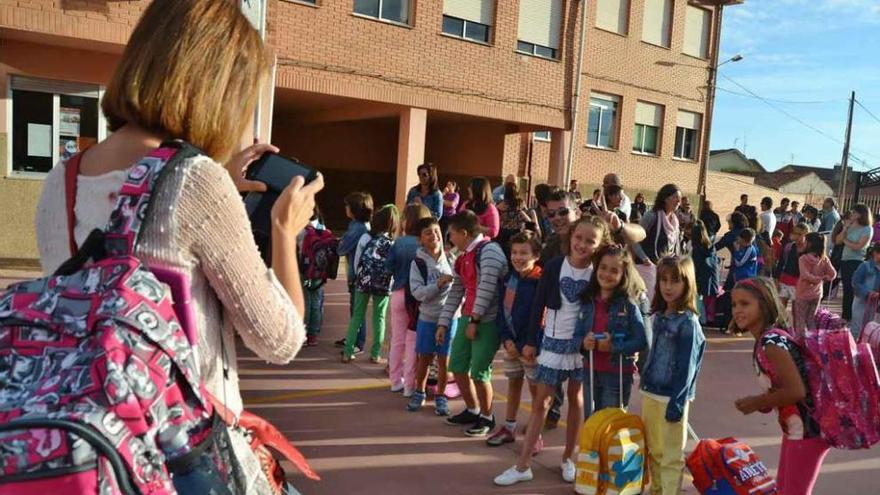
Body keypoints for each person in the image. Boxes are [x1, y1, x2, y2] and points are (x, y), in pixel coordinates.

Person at [34, 1, 323, 490]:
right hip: (181, 457)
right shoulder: (197, 182)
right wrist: (283, 232)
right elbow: (280, 339)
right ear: (216, 88)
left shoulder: (60, 181)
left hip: (95, 447)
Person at [493, 216, 607, 487]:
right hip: (553, 343)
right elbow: (538, 305)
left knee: (576, 398)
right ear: (570, 237)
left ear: (600, 244)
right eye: (579, 238)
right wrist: (531, 340)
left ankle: (569, 458)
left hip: (582, 346)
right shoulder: (555, 266)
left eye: (590, 241)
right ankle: (522, 465)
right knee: (541, 402)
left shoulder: (598, 272)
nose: (582, 244)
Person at [731, 278, 828, 495]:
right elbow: (784, 388)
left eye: (745, 304)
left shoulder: (771, 344)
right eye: (734, 304)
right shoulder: (769, 339)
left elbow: (797, 391)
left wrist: (757, 402)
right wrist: (766, 402)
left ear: (764, 305)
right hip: (797, 429)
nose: (737, 310)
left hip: (807, 431)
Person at [640, 256, 706, 495]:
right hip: (651, 392)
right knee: (654, 450)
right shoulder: (660, 315)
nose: (667, 286)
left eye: (675, 281)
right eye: (663, 280)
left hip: (671, 397)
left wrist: (678, 401)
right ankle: (657, 489)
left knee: (670, 454)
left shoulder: (688, 323)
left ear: (687, 283)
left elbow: (688, 367)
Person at [439, 211, 508, 437]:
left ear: (464, 233)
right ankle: (472, 409)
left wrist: (475, 319)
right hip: (468, 317)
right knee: (458, 367)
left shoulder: (489, 251)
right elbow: (457, 291)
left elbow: (487, 287)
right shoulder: (463, 257)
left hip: (485, 321)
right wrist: (444, 322)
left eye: (451, 234)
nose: (449, 239)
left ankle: (487, 417)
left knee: (479, 372)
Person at [486, 232, 544, 452]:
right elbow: (502, 311)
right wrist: (506, 339)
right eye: (515, 252)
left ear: (536, 255)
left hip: (530, 347)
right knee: (513, 382)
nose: (518, 257)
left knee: (536, 389)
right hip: (511, 345)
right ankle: (509, 427)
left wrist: (527, 344)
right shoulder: (509, 279)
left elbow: (540, 317)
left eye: (524, 253)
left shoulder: (540, 281)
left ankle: (535, 433)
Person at [580, 244, 648, 416]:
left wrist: (614, 346)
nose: (606, 274)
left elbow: (641, 340)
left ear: (623, 274)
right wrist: (583, 342)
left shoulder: (628, 304)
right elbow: (576, 334)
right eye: (603, 268)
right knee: (592, 424)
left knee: (611, 424)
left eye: (613, 271)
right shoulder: (588, 301)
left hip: (616, 374)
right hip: (590, 371)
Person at [407, 217, 457, 414]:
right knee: (425, 358)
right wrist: (438, 284)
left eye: (436, 231)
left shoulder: (451, 259)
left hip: (450, 318)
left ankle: (441, 396)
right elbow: (417, 292)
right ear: (420, 239)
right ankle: (419, 392)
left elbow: (459, 288)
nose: (434, 236)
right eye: (428, 233)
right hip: (428, 317)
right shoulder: (418, 263)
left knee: (444, 360)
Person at [342, 205, 400, 362]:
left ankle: (347, 352)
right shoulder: (393, 243)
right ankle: (375, 354)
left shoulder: (366, 237)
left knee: (357, 316)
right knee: (379, 317)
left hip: (363, 281)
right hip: (383, 284)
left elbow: (357, 260)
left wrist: (357, 276)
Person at [387, 204, 432, 394]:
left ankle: (395, 380)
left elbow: (388, 267)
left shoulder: (399, 243)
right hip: (417, 298)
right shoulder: (424, 244)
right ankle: (409, 385)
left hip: (398, 292)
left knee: (397, 340)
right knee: (413, 342)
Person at [336, 192, 373, 353]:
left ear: (355, 209)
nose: (345, 208)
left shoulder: (358, 228)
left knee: (357, 310)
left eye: (347, 205)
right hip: (359, 273)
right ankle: (353, 337)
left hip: (357, 274)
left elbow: (341, 248)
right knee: (355, 308)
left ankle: (358, 342)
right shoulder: (360, 225)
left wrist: (339, 242)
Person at [793, 233, 836, 336]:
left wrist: (817, 279)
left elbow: (804, 275)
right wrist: (824, 278)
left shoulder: (803, 258)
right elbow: (833, 274)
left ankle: (801, 343)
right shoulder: (824, 259)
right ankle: (814, 341)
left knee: (800, 320)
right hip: (817, 294)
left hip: (803, 293)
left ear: (810, 243)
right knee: (811, 319)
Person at [836, 203, 873, 321]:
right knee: (846, 289)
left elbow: (858, 246)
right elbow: (837, 241)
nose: (851, 214)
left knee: (853, 289)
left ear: (861, 214)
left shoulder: (867, 229)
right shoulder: (850, 225)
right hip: (845, 259)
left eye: (854, 212)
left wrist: (845, 240)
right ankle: (845, 316)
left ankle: (852, 317)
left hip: (856, 261)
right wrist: (845, 228)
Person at [299, 206, 328, 347]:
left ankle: (303, 333)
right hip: (319, 272)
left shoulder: (300, 230)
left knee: (305, 302)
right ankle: (313, 335)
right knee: (316, 303)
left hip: (304, 271)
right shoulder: (323, 229)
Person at [640, 184, 683, 263]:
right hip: (647, 268)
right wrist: (644, 258)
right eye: (676, 197)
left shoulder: (675, 222)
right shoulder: (652, 216)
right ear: (665, 199)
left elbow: (676, 248)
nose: (679, 201)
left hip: (665, 270)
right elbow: (634, 240)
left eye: (680, 198)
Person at [691, 221, 721, 327]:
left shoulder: (696, 249)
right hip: (708, 278)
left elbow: (696, 264)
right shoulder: (709, 246)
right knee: (701, 299)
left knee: (697, 299)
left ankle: (700, 319)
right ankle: (703, 319)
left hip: (699, 277)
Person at [774, 223, 808, 311]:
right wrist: (776, 279)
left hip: (799, 283)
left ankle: (795, 324)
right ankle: (781, 324)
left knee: (796, 310)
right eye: (794, 233)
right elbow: (781, 263)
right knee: (781, 306)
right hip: (785, 280)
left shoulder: (808, 250)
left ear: (806, 235)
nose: (796, 236)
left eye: (799, 234)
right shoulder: (789, 247)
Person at [540, 190, 579, 266]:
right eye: (551, 213)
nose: (557, 217)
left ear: (576, 212)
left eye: (563, 211)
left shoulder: (588, 242)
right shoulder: (549, 246)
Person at [497, 181, 538, 251]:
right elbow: (527, 217)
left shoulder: (501, 204)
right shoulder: (520, 203)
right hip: (517, 231)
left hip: (503, 231)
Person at [850, 242, 880, 336]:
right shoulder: (865, 266)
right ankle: (852, 347)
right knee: (857, 327)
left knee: (869, 329)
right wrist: (867, 292)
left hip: (874, 303)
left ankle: (864, 348)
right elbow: (855, 282)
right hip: (861, 300)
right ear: (875, 253)